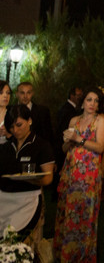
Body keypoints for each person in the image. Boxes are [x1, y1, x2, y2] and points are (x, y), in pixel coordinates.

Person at [54, 86, 104, 262]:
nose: (93, 104)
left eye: (96, 101)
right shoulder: (73, 121)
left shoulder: (100, 120)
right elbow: (66, 149)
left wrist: (79, 139)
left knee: (84, 216)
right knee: (67, 213)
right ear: (82, 102)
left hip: (89, 175)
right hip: (71, 172)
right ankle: (65, 255)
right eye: (89, 99)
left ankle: (82, 256)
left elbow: (101, 146)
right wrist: (67, 141)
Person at [0, 105, 56, 247]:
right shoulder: (6, 147)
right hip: (4, 201)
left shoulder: (41, 145)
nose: (16, 131)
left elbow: (48, 178)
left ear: (29, 120)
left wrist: (30, 179)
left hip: (28, 201)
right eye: (11, 127)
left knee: (24, 245)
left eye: (19, 125)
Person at [16, 82, 54, 156]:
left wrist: (51, 157)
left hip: (38, 153)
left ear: (32, 93)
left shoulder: (43, 111)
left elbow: (48, 136)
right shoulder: (10, 110)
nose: (25, 96)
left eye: (28, 93)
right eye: (22, 93)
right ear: (17, 94)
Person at [56, 86, 84, 151]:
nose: (81, 97)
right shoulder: (67, 110)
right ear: (72, 96)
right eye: (78, 95)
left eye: (81, 95)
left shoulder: (71, 108)